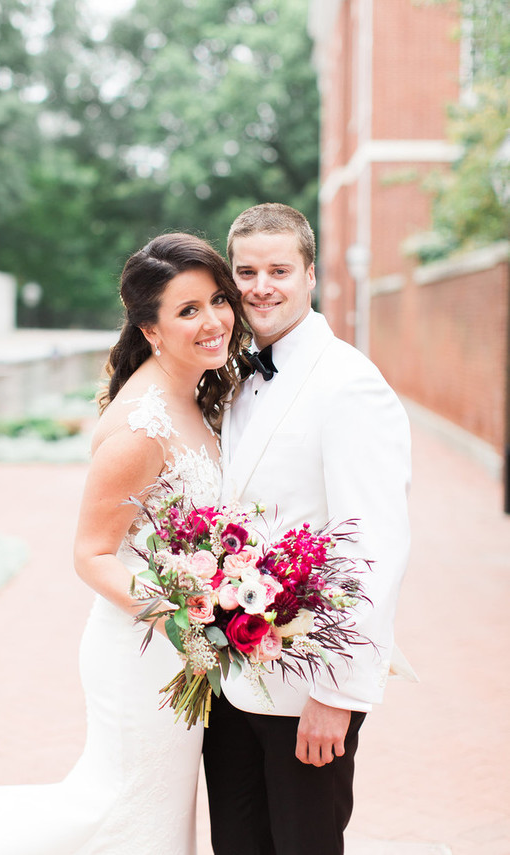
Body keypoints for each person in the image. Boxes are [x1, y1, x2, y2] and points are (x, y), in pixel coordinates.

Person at [0, 232, 248, 855]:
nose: (213, 320)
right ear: (152, 330)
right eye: (187, 311)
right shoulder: (141, 425)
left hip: (179, 647)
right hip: (143, 649)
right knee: (123, 812)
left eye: (218, 299)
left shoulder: (196, 394)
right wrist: (182, 619)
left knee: (160, 815)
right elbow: (90, 555)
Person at [203, 203, 412, 855]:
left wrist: (337, 692)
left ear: (311, 273)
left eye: (278, 269)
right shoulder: (234, 377)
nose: (261, 285)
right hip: (231, 680)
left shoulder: (350, 384)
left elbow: (372, 545)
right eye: (246, 271)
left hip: (308, 690)